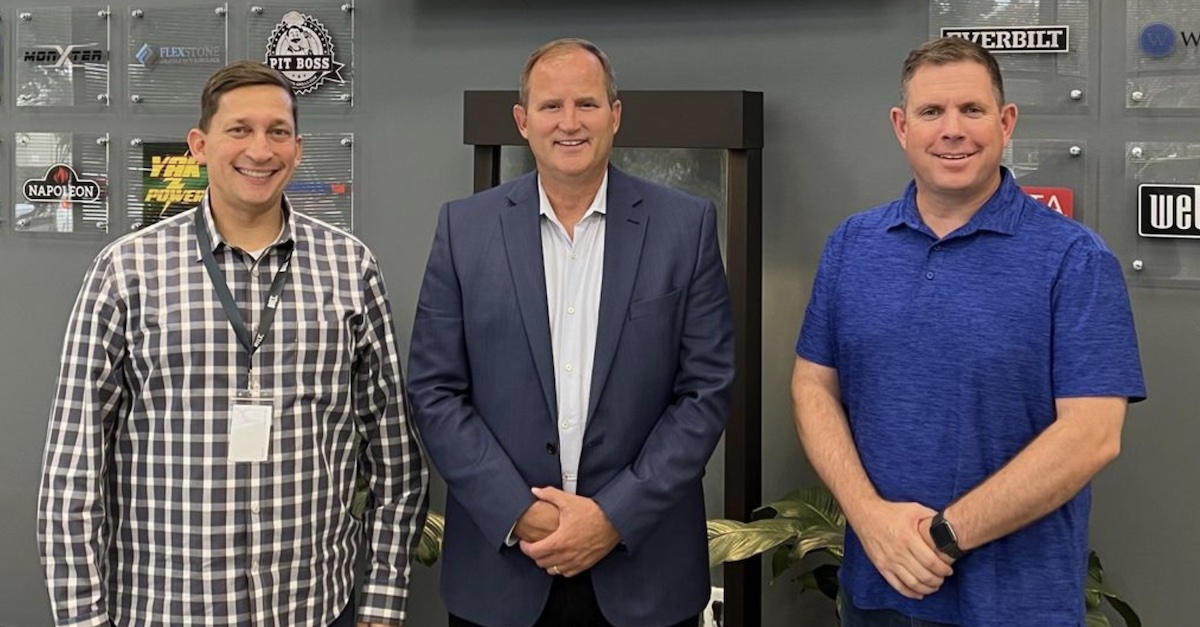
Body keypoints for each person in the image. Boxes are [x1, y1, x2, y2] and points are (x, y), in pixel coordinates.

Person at [37, 60, 428, 627]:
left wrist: (384, 599)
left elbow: (395, 452)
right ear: (200, 144)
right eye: (239, 130)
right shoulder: (127, 271)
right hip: (167, 606)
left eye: (277, 132)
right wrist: (81, 619)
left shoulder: (351, 268)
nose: (260, 150)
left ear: (298, 147)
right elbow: (73, 466)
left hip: (315, 604)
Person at [792, 36, 1146, 626]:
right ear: (901, 126)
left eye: (972, 110)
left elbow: (1093, 434)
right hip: (876, 593)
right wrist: (871, 519)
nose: (952, 129)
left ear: (1006, 122)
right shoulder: (852, 245)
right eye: (932, 112)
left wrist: (945, 535)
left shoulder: (1074, 259)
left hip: (1018, 606)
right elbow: (813, 387)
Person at [407, 38, 735, 627]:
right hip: (503, 573)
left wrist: (613, 516)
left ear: (615, 114)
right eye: (551, 106)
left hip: (645, 572)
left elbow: (705, 393)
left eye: (586, 104)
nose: (569, 123)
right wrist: (519, 512)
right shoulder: (464, 230)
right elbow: (434, 391)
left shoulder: (684, 228)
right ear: (522, 121)